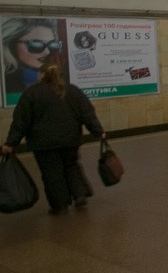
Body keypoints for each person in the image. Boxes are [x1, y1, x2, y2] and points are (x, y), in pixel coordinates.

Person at [2, 64, 105, 214]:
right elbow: (87, 113)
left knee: (51, 173)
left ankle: (60, 205)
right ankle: (79, 195)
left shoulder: (31, 93)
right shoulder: (72, 91)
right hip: (70, 139)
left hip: (43, 143)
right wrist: (98, 131)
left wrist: (11, 143)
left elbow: (21, 121)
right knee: (71, 165)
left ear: (42, 74)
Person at [2, 17, 64, 99]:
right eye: (36, 44)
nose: (47, 52)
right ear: (11, 45)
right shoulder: (5, 83)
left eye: (52, 44)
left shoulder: (55, 78)